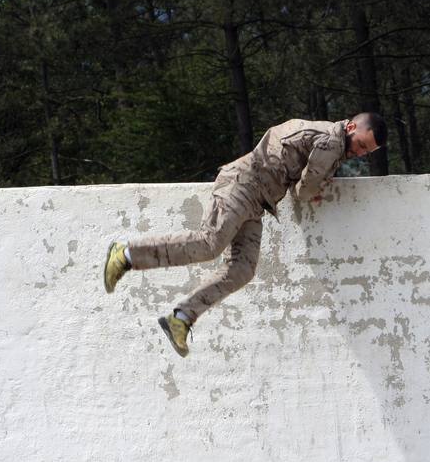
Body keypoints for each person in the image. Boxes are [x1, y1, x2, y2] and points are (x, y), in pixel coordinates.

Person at [102, 113, 388, 357]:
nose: (360, 152)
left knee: (242, 269)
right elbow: (303, 192)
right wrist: (316, 188)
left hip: (256, 200)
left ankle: (181, 318)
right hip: (242, 187)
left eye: (367, 152)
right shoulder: (332, 140)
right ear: (351, 127)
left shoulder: (326, 137)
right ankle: (126, 255)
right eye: (362, 145)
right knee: (209, 243)